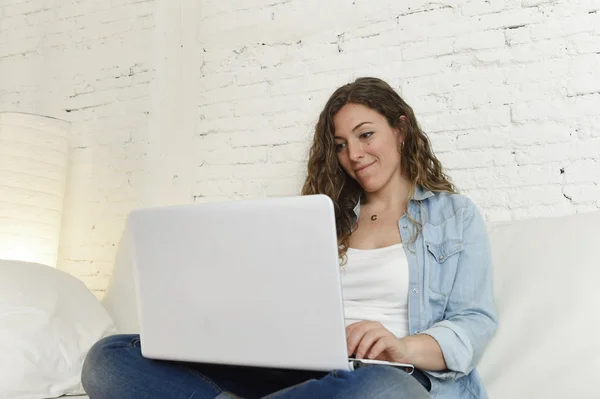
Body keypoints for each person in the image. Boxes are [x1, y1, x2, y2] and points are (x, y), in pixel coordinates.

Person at [81, 77, 497, 399]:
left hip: (386, 375)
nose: (353, 154)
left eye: (366, 134)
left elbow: (474, 323)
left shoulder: (454, 217)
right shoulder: (321, 217)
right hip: (296, 372)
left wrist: (401, 348)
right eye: (340, 144)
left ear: (400, 129)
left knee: (385, 392)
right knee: (108, 358)